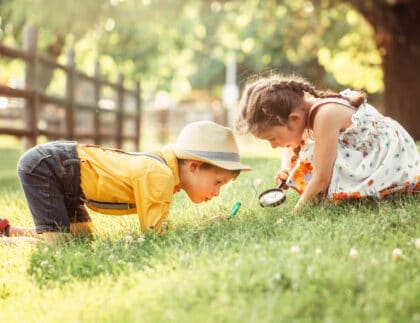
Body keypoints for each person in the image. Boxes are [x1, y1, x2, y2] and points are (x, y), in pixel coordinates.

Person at [0, 121, 250, 243]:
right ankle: (6, 244)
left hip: (67, 173)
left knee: (81, 238)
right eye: (217, 182)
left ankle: (7, 232)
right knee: (59, 246)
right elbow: (155, 235)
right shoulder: (159, 174)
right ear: (194, 166)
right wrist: (202, 229)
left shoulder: (166, 174)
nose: (217, 192)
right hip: (51, 166)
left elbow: (159, 226)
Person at [235, 74, 420, 211]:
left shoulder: (325, 116)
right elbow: (290, 148)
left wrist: (296, 213)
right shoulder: (306, 112)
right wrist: (286, 168)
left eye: (272, 139)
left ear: (294, 119)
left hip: (392, 157)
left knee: (311, 157)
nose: (273, 146)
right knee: (308, 153)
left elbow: (321, 178)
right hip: (379, 148)